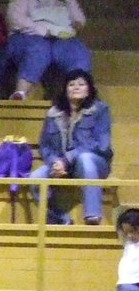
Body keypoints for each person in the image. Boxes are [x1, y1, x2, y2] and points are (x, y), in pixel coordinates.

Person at [28, 69, 111, 226]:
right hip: (61, 165)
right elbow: (44, 146)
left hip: (94, 164)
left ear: (89, 89)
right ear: (65, 89)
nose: (76, 87)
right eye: (71, 84)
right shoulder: (53, 113)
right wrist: (55, 163)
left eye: (81, 84)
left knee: (85, 158)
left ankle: (92, 215)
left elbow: (101, 144)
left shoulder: (100, 110)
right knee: (35, 178)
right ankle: (60, 218)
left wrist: (67, 159)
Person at [4, 0, 90, 101]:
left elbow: (79, 18)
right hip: (29, 36)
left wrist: (75, 25)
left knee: (77, 50)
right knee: (39, 50)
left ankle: (78, 95)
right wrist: (42, 30)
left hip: (60, 37)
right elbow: (14, 18)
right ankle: (20, 93)